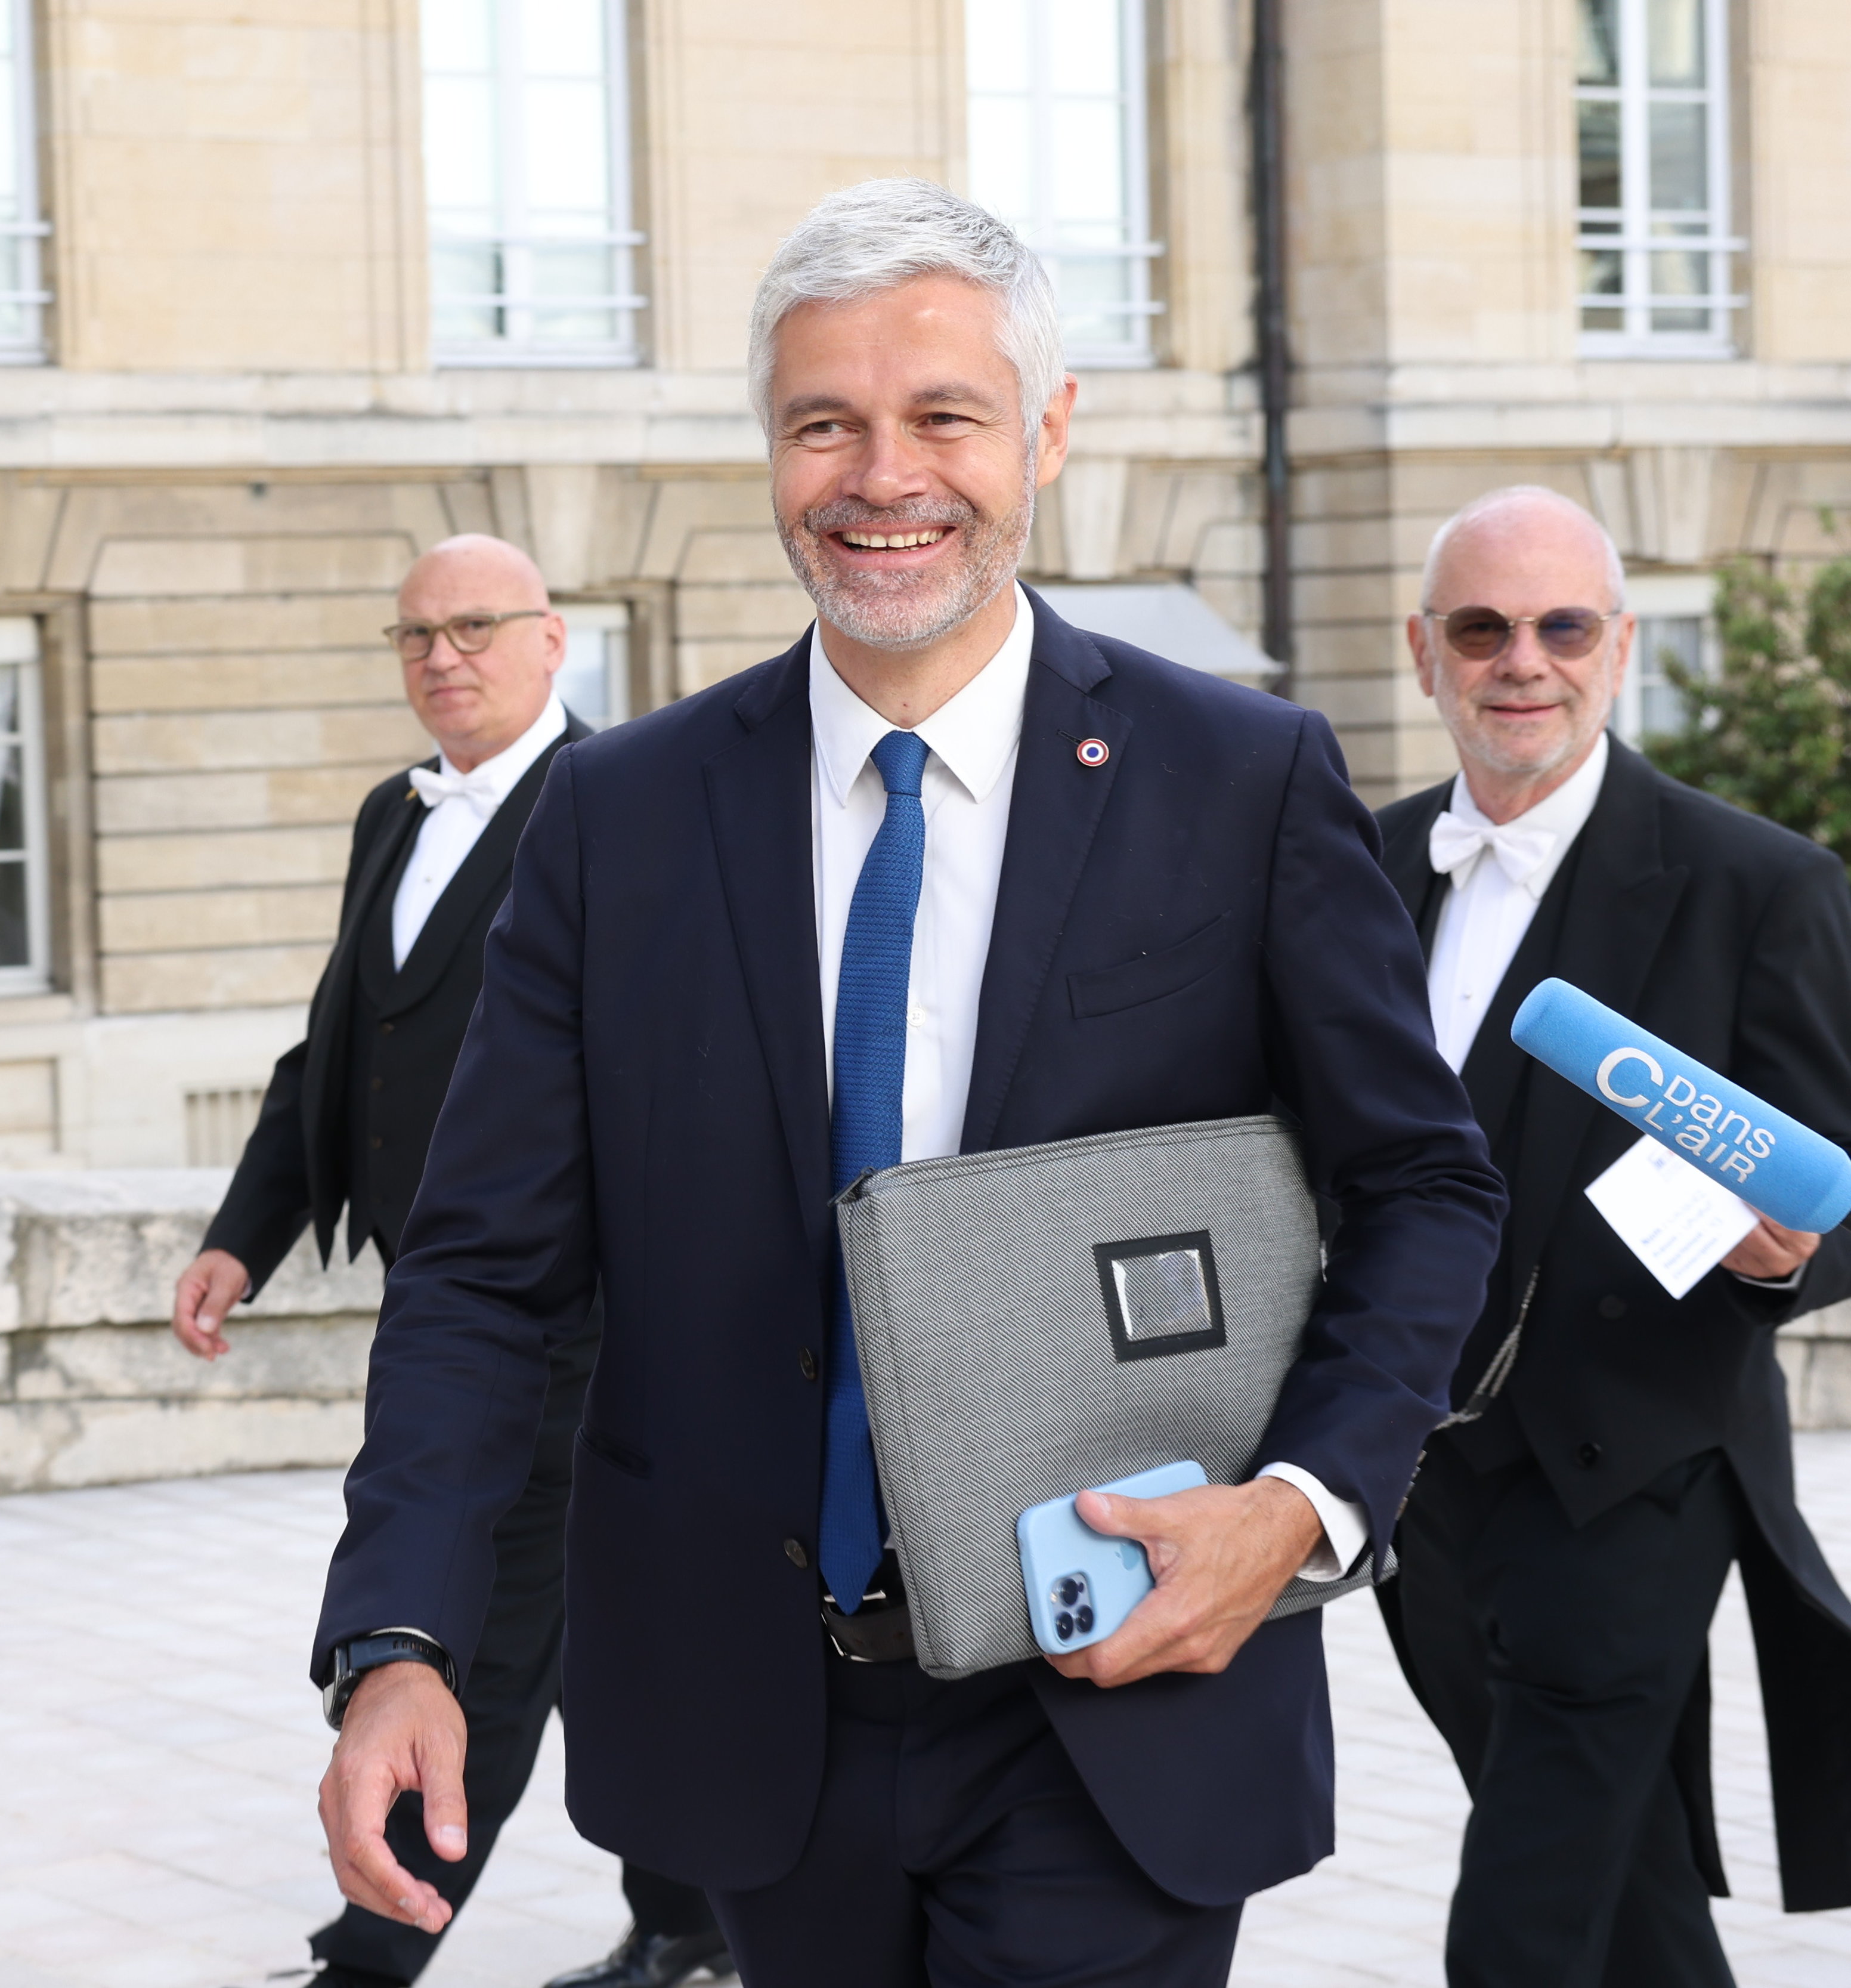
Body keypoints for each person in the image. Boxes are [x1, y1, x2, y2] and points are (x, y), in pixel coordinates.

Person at [304, 178, 1505, 1988]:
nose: (884, 475)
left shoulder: (1240, 779)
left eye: (943, 415)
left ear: (1047, 429)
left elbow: (1427, 1187)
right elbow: (480, 1269)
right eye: (824, 424)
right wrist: (400, 1630)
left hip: (1122, 1688)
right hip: (751, 1717)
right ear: (770, 447)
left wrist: (1303, 1507)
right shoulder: (617, 818)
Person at [175, 534, 729, 1988]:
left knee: (471, 1626)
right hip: (446, 1302)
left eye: (477, 626)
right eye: (416, 634)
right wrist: (247, 1232)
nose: (444, 656)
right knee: (617, 1628)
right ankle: (692, 1922)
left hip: (578, 1307)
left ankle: (372, 1955)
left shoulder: (622, 808)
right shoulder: (391, 812)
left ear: (555, 642)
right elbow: (341, 1038)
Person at [1372, 486, 1851, 1986]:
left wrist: (1787, 1253)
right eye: (1482, 628)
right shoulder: (1353, 869)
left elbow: (1832, 1181)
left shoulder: (1756, 884)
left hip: (1635, 1464)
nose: (1524, 659)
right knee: (1618, 1884)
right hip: (1414, 1472)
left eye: (1561, 624)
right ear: (1425, 653)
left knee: (1521, 1907)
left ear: (1618, 645)